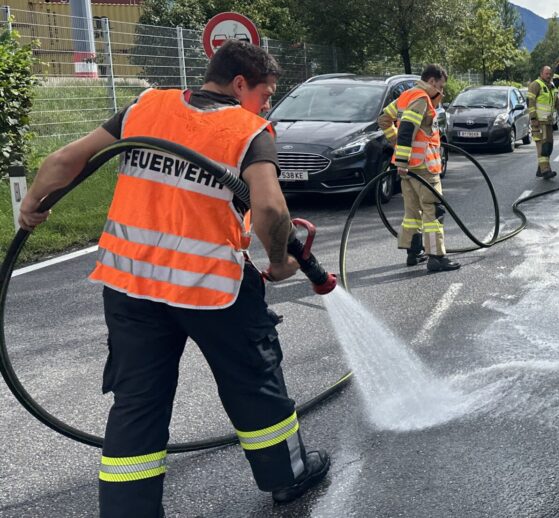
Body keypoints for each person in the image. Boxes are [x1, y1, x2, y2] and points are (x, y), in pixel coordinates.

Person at [17, 41, 330, 517]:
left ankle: (128, 512)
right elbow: (268, 207)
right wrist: (283, 263)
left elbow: (64, 161)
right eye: (265, 94)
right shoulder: (249, 130)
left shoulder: (145, 107)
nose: (267, 106)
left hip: (130, 286)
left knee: (137, 402)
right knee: (253, 383)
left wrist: (32, 204)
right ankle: (288, 477)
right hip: (212, 290)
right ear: (241, 84)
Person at [378, 64, 460, 273]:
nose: (441, 92)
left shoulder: (406, 95)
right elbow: (407, 130)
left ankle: (414, 253)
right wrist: (404, 158)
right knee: (433, 211)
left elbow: (384, 119)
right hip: (423, 167)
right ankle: (436, 257)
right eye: (440, 87)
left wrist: (396, 146)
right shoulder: (421, 99)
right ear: (431, 82)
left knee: (412, 212)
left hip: (408, 168)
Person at [527, 65, 559, 179]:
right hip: (539, 122)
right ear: (541, 74)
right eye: (546, 74)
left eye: (550, 74)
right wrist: (533, 118)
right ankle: (545, 171)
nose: (549, 76)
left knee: (548, 147)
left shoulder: (551, 86)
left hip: (549, 122)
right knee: (543, 148)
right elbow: (530, 103)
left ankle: (540, 170)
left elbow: (557, 104)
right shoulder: (535, 85)